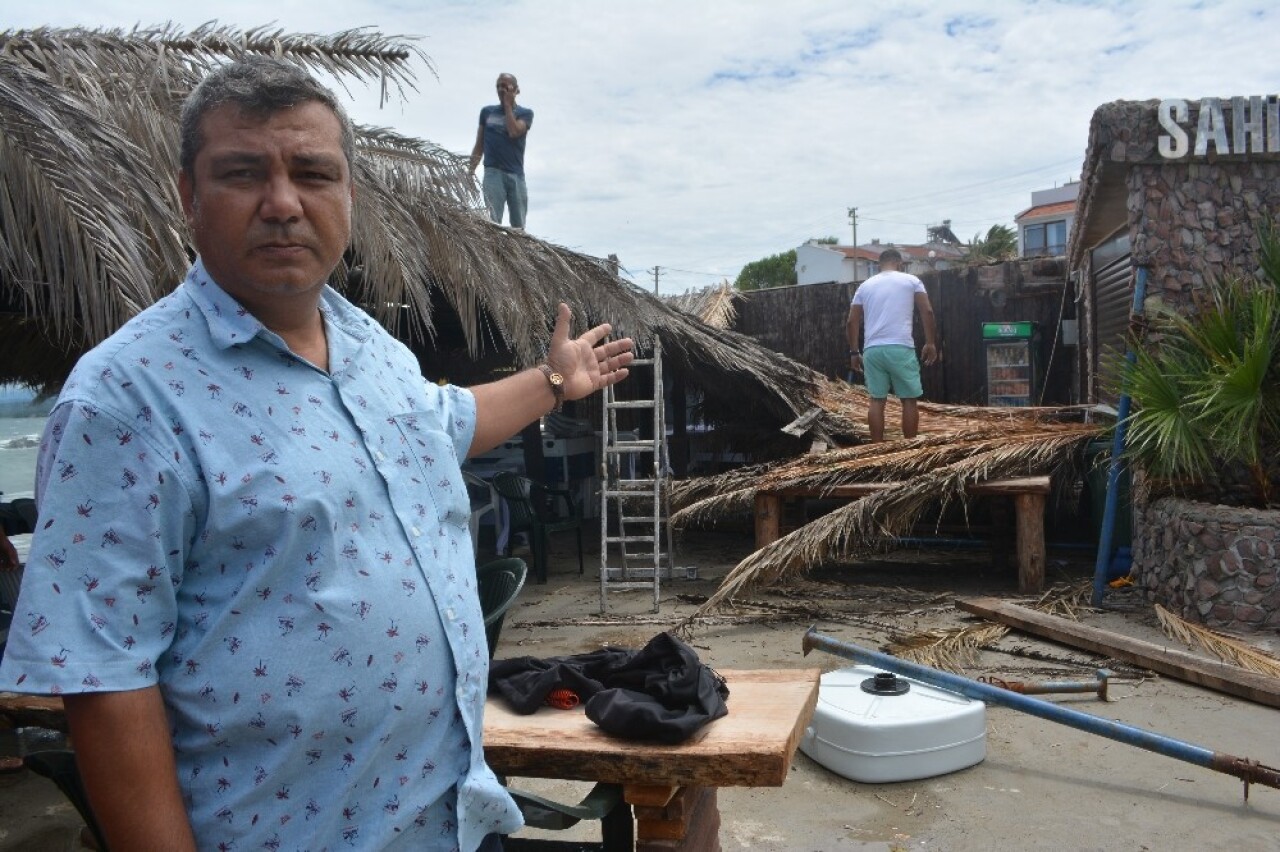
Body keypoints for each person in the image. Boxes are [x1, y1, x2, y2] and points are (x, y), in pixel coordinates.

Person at [0, 57, 632, 852]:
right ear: (187, 196)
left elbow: (445, 424)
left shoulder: (372, 346)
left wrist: (551, 380)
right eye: (242, 174)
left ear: (349, 197)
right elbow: (104, 678)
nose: (283, 204)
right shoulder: (126, 400)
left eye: (312, 173)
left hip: (452, 823)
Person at [846, 248, 939, 441]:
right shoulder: (912, 281)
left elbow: (851, 321)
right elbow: (927, 311)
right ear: (899, 263)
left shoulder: (865, 286)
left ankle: (877, 449)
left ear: (880, 265)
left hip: (872, 350)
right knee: (908, 400)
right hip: (900, 348)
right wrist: (930, 343)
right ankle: (909, 449)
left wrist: (854, 352)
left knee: (877, 401)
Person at [468, 73, 533, 229]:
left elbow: (514, 131)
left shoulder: (525, 114)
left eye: (505, 85)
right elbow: (479, 144)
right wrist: (470, 171)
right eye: (498, 86)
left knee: (518, 227)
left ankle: (515, 253)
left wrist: (508, 106)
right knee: (492, 223)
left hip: (516, 175)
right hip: (493, 174)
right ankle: (492, 253)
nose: (500, 89)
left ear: (516, 90)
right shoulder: (487, 112)